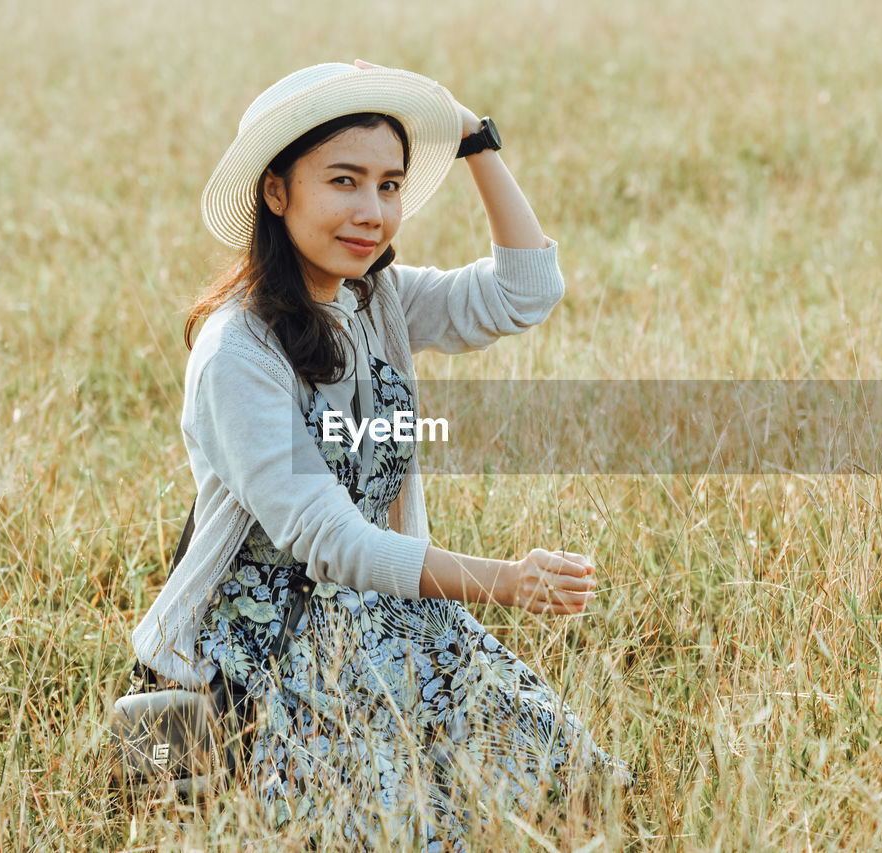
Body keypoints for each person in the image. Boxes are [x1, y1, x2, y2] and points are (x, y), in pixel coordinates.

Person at [131, 61, 628, 847]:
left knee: (577, 785)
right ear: (276, 190)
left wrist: (474, 140)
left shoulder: (374, 298)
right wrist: (506, 580)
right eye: (344, 181)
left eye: (390, 186)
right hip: (271, 641)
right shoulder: (238, 353)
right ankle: (198, 765)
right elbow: (329, 538)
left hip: (391, 610)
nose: (372, 212)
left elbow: (525, 291)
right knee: (421, 829)